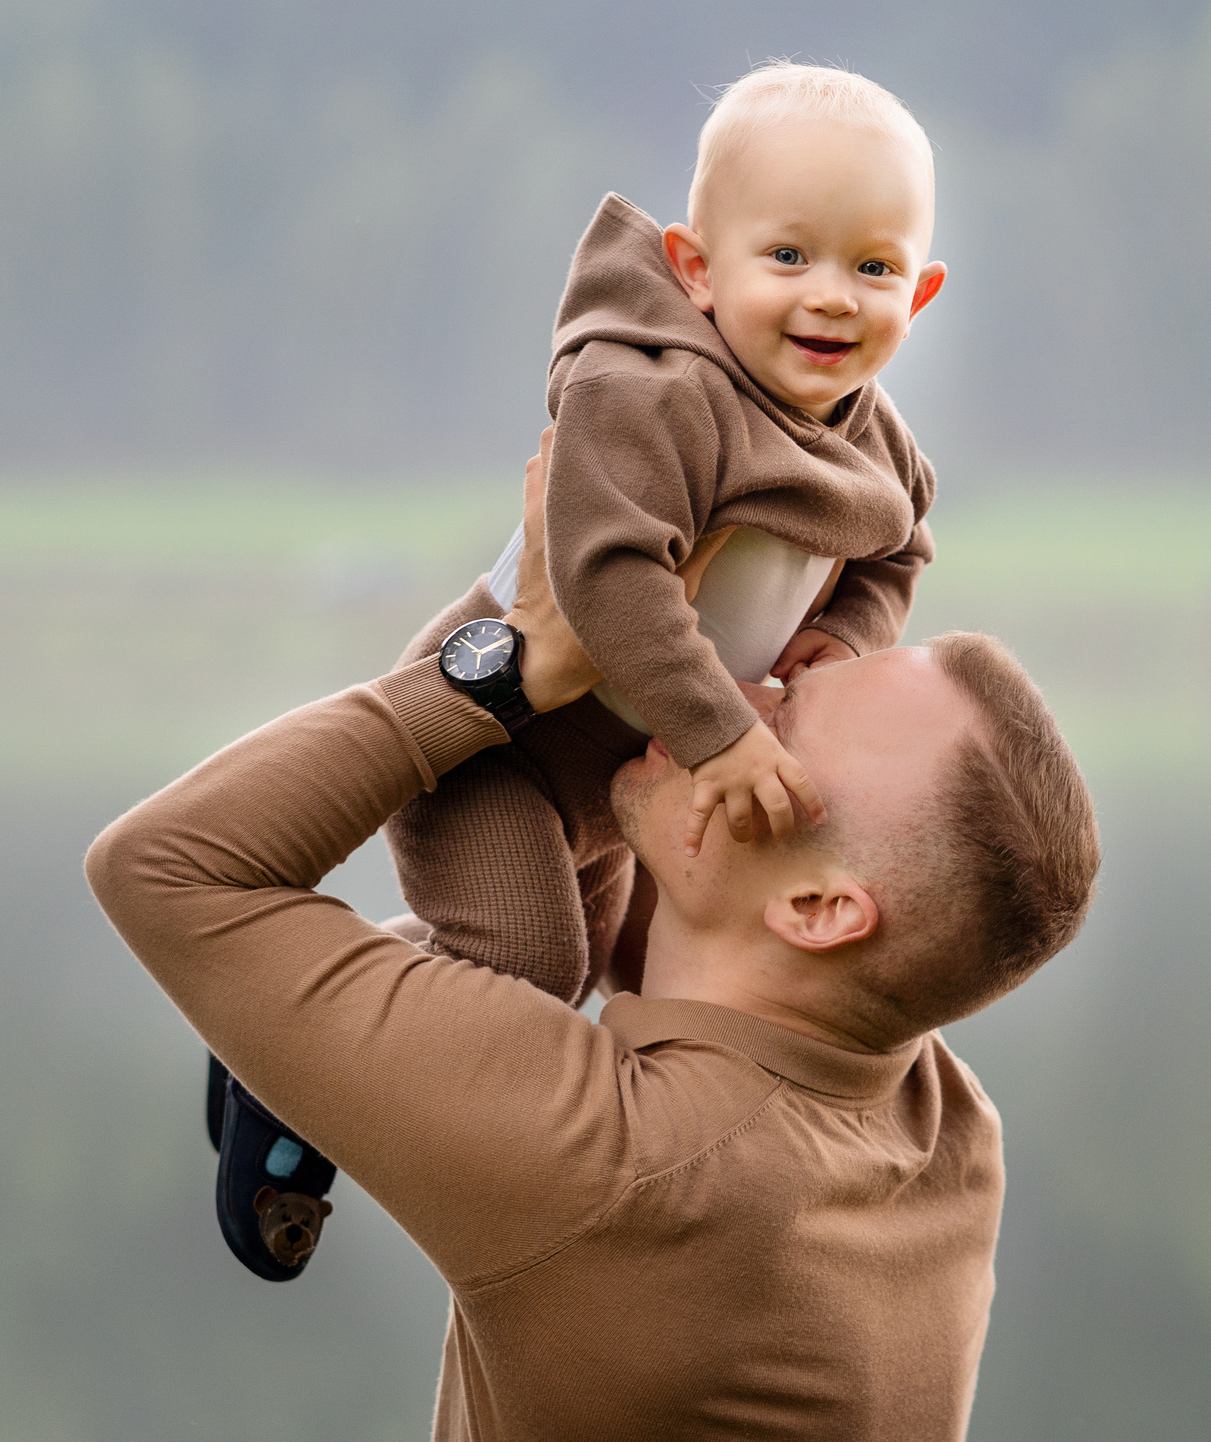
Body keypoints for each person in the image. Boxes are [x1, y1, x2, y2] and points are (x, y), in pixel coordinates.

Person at [85, 435, 1100, 1441]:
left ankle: (305, 1048)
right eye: (786, 674)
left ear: (820, 913)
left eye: (779, 729)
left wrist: (514, 660)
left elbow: (165, 869)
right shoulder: (933, 1114)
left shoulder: (634, 1170)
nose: (734, 699)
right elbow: (665, 914)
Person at [384, 62, 946, 1014]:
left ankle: (352, 983)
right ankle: (293, 1041)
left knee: (596, 966)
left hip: (617, 779)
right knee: (528, 970)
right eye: (788, 257)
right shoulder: (654, 392)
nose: (836, 296)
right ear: (697, 270)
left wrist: (849, 634)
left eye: (874, 268)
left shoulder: (872, 434)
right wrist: (722, 736)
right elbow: (607, 575)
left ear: (920, 294)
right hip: (499, 740)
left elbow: (899, 548)